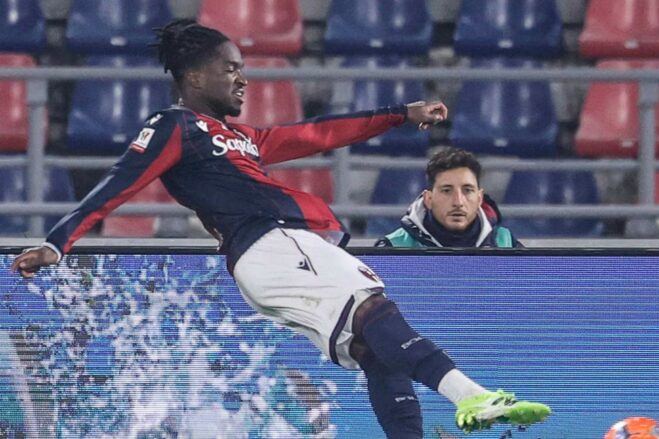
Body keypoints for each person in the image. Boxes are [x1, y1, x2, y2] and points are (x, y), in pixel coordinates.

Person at [8, 19, 550, 437]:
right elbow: (119, 181)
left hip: (276, 253)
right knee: (374, 309)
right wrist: (59, 242)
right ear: (193, 76)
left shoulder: (241, 138)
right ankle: (472, 396)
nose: (242, 78)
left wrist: (399, 114)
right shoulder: (175, 126)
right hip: (270, 243)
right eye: (230, 68)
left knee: (374, 350)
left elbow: (317, 134)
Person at [375, 147, 522, 248]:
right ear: (428, 199)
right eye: (446, 191)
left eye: (467, 190)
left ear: (479, 199)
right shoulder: (393, 248)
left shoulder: (505, 243)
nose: (458, 202)